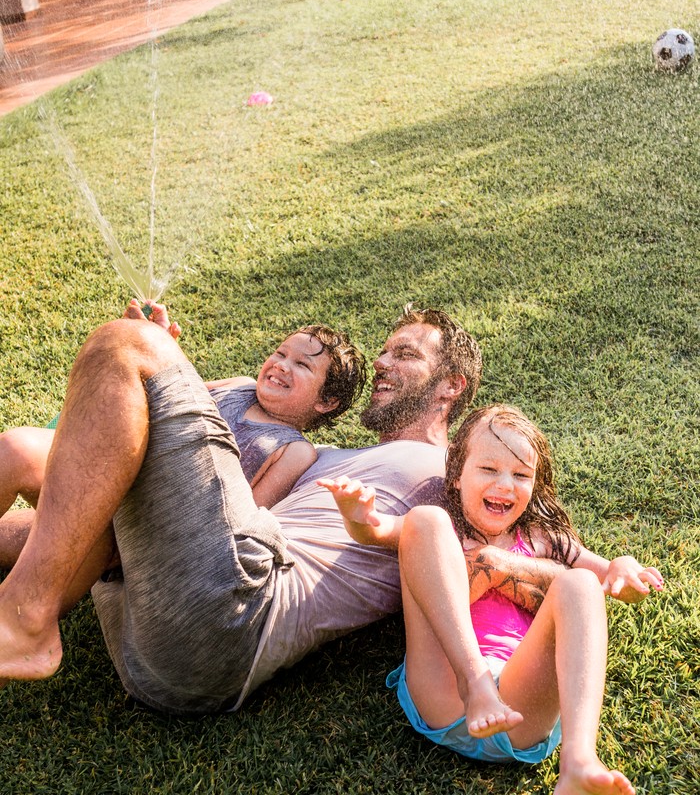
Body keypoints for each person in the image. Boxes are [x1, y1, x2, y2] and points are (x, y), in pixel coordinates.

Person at [0, 304, 500, 716]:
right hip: (156, 642)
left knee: (127, 345)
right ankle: (22, 610)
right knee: (101, 478)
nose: (381, 363)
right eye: (384, 352)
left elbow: (525, 551)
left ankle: (26, 614)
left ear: (451, 385)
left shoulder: (447, 471)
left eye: (405, 354)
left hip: (238, 615)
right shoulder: (332, 457)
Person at [319, 404, 664, 795]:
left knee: (580, 583)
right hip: (446, 689)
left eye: (520, 475)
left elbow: (606, 576)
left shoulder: (542, 539)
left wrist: (622, 567)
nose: (505, 484)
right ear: (456, 476)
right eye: (488, 469)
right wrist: (356, 513)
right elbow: (375, 530)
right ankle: (476, 684)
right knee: (426, 520)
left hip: (521, 707)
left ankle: (579, 760)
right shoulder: (446, 533)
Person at [0, 300, 366, 514]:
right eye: (281, 353)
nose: (282, 365)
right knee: (12, 449)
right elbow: (169, 392)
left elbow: (245, 519)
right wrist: (157, 345)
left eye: (303, 366)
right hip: (117, 468)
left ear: (326, 401)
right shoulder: (240, 386)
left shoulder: (294, 451)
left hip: (151, 518)